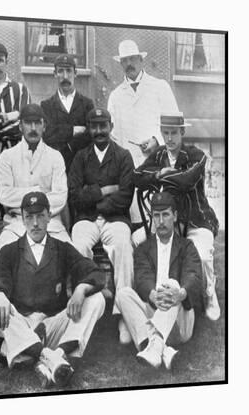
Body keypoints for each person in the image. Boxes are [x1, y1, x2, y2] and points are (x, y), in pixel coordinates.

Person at [0, 192, 106, 387]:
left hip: (52, 325)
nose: (35, 223)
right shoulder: (10, 251)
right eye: (29, 217)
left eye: (40, 215)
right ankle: (49, 357)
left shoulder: (62, 248)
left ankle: (45, 355)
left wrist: (81, 289)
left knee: (96, 299)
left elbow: (95, 273)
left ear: (50, 216)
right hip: (22, 325)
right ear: (22, 218)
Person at [132, 112, 220, 320]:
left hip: (195, 219)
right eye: (165, 133)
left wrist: (160, 176)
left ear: (182, 132)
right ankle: (149, 290)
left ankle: (209, 294)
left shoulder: (196, 155)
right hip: (168, 220)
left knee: (203, 253)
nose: (169, 138)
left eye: (174, 133)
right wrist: (158, 174)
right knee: (137, 240)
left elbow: (187, 180)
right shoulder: (160, 155)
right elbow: (136, 177)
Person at [115, 192, 206, 369]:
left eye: (166, 214)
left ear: (175, 216)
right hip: (153, 309)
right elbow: (142, 278)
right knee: (123, 293)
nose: (161, 221)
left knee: (172, 284)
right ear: (152, 218)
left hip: (179, 320)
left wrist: (179, 294)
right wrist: (153, 295)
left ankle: (153, 345)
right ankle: (161, 351)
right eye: (156, 215)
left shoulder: (186, 246)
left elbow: (193, 275)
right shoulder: (143, 248)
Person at [68, 107, 135, 343]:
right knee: (77, 246)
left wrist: (93, 199)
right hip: (86, 220)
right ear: (89, 129)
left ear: (111, 127)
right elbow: (75, 196)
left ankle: (124, 314)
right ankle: (86, 307)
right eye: (94, 126)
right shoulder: (81, 157)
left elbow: (125, 195)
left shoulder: (123, 156)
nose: (99, 131)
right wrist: (105, 190)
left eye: (102, 126)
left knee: (122, 246)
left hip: (115, 219)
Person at [107, 39, 179, 223]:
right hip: (130, 168)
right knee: (136, 222)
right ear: (121, 64)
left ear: (141, 60)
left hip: (158, 162)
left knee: (160, 217)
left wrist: (157, 140)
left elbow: (174, 124)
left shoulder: (160, 87)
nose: (129, 64)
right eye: (125, 60)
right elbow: (112, 136)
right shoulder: (115, 96)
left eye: (133, 58)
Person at [0, 103, 70, 251]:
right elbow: (4, 195)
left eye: (37, 123)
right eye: (28, 123)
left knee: (71, 255)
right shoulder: (7, 157)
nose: (33, 128)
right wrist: (38, 192)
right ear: (20, 126)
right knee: (3, 254)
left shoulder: (55, 157)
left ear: (44, 126)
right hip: (17, 223)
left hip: (51, 223)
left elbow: (60, 197)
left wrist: (22, 197)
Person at [41, 54, 94, 172]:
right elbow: (47, 134)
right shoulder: (46, 105)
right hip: (55, 168)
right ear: (54, 74)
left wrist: (68, 144)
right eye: (60, 71)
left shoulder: (87, 104)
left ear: (75, 73)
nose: (65, 76)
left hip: (82, 168)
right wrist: (72, 130)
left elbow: (90, 134)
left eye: (69, 71)